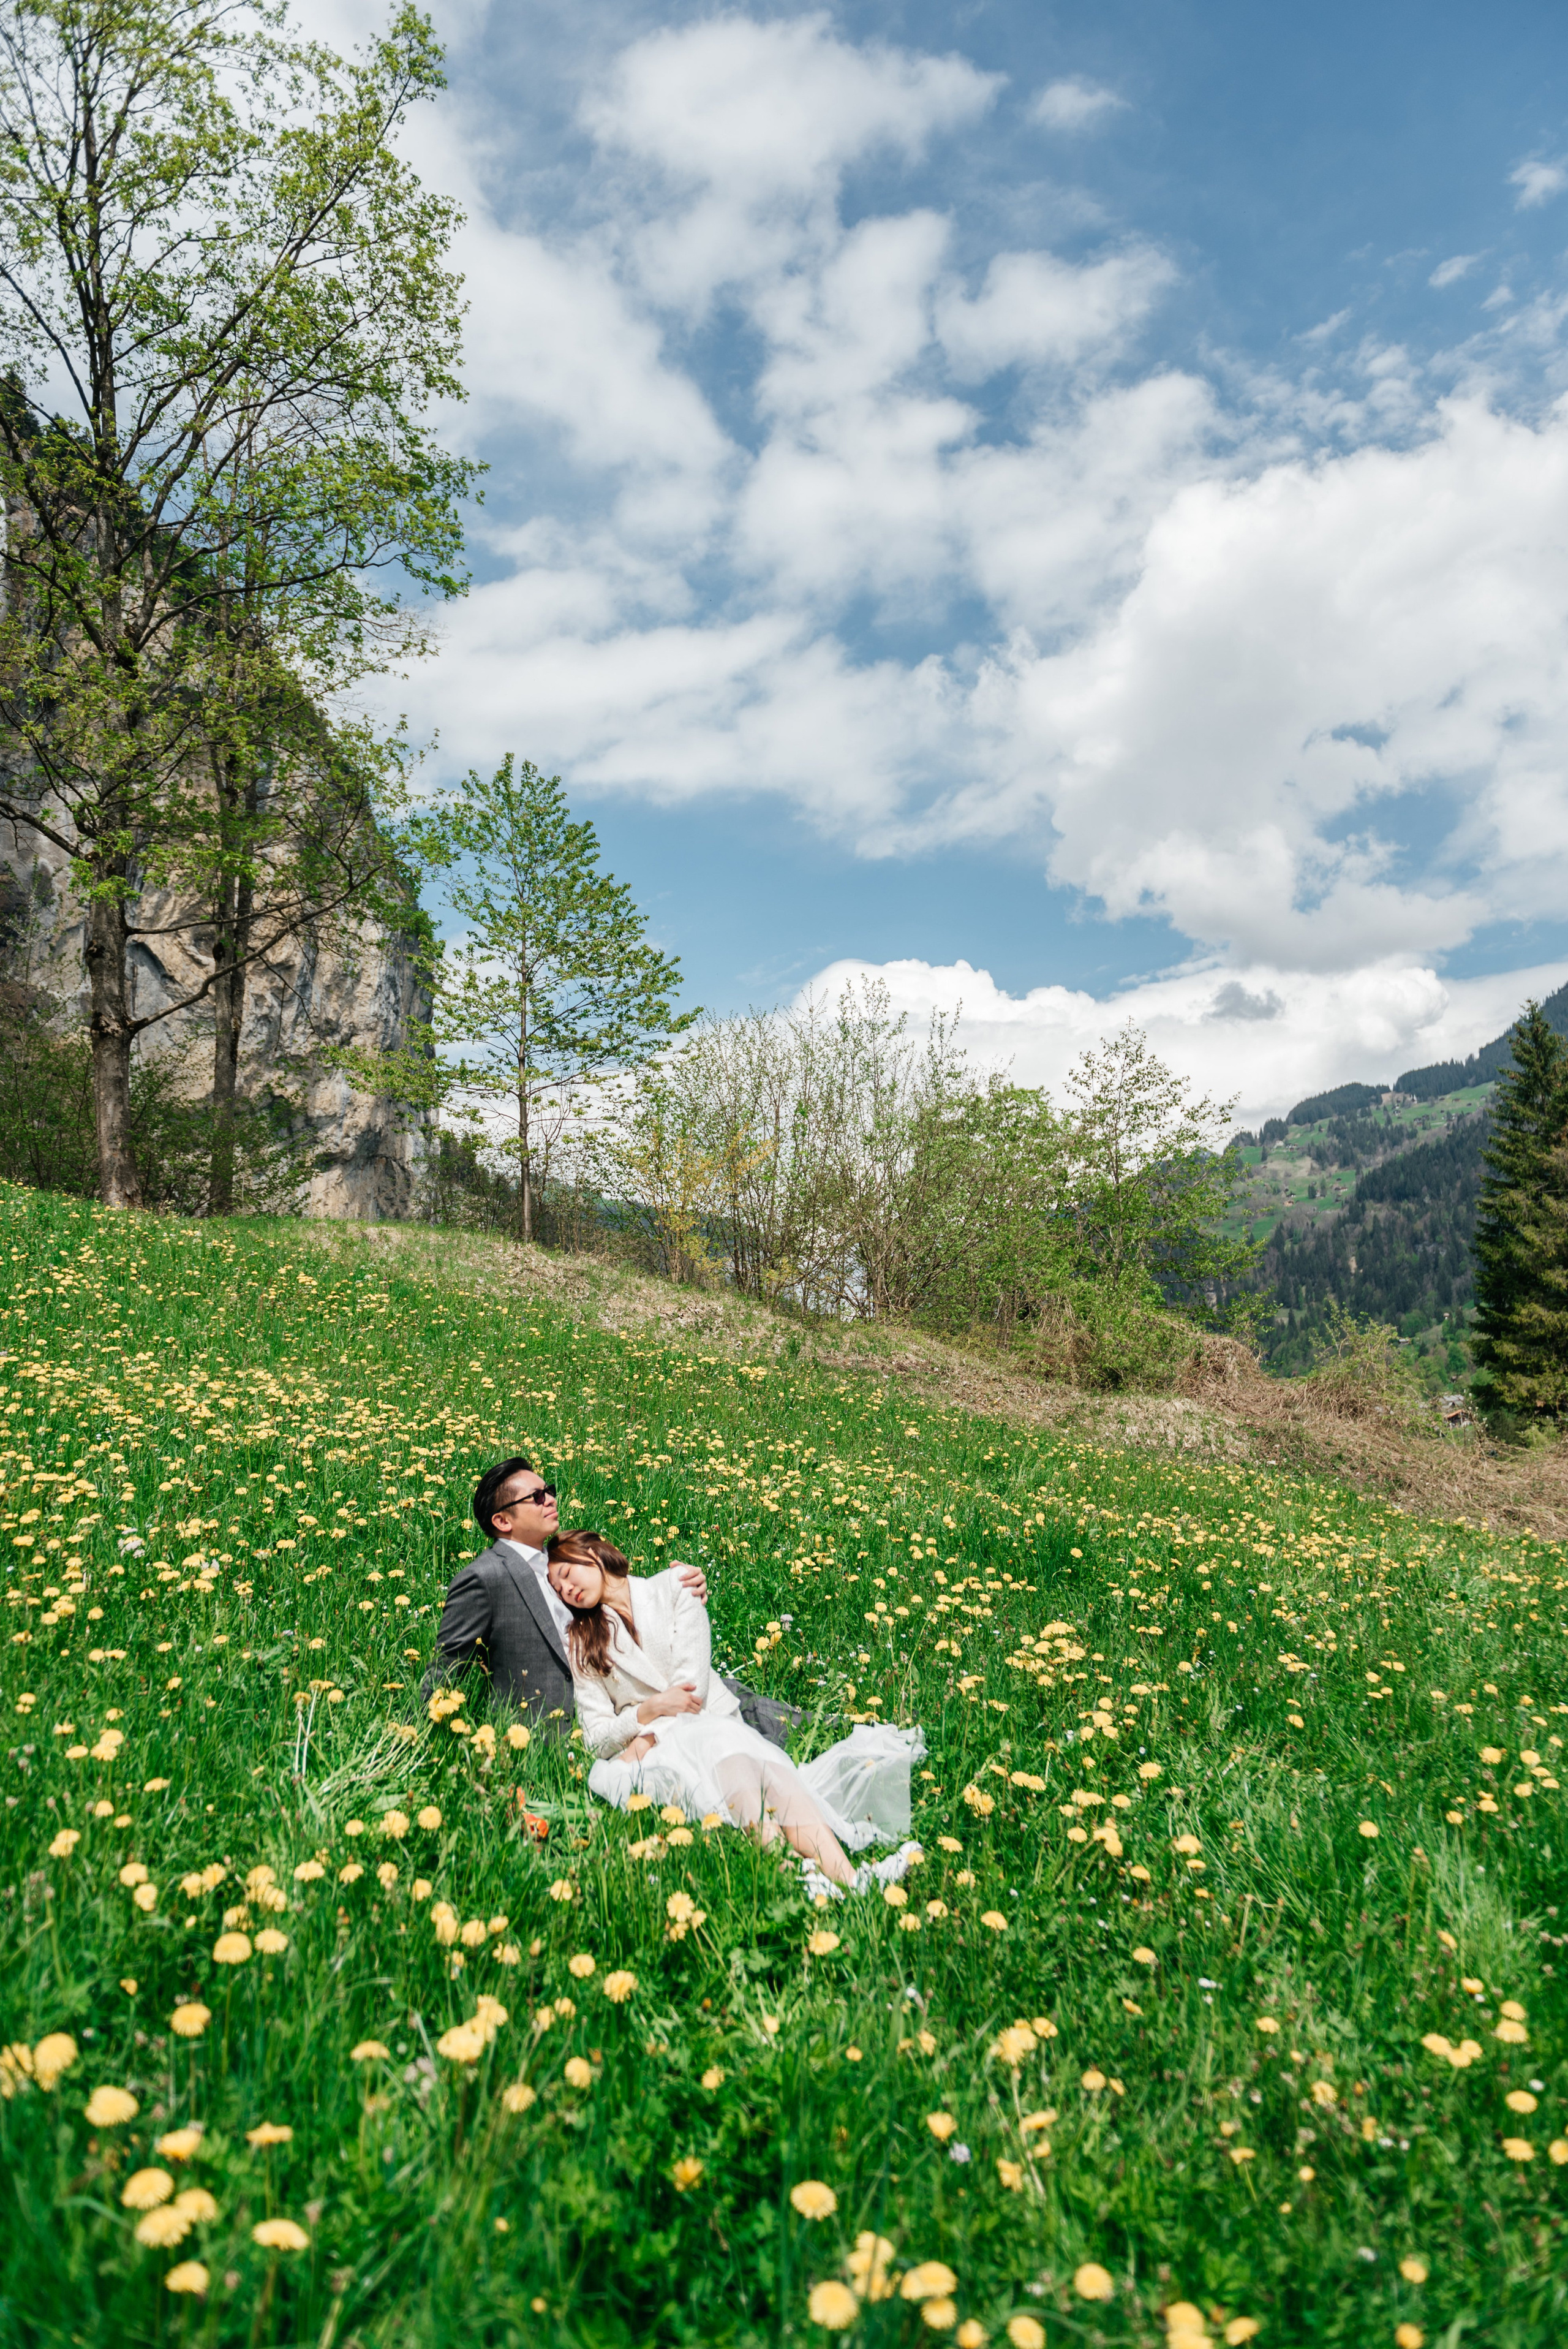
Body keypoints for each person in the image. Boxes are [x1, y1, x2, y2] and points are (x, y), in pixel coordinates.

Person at [549, 1530, 923, 1895]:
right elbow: (598, 1736)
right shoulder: (581, 1640)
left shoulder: (677, 1585)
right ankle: (801, 1873)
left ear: (595, 1553)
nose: (567, 1589)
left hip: (701, 1725)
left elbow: (691, 1690)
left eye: (567, 1573)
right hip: (656, 1758)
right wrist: (647, 1712)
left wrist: (650, 1727)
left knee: (762, 1766)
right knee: (734, 1754)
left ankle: (845, 1878)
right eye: (558, 1589)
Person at [420, 1456, 794, 1741]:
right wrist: (418, 1740)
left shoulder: (557, 1561)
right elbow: (447, 1667)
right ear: (504, 1522)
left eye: (549, 1490)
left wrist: (681, 1585)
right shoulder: (486, 1577)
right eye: (536, 1496)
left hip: (655, 1685)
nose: (550, 1499)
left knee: (796, 1724)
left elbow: (615, 1591)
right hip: (581, 1727)